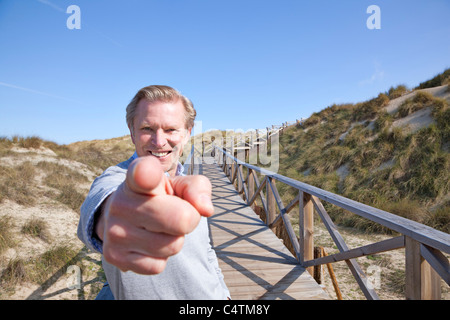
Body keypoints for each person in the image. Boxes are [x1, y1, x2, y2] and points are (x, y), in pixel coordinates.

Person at [77, 85, 230, 299]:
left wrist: (224, 293)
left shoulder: (190, 184)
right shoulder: (116, 178)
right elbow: (102, 203)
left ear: (187, 133)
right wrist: (112, 217)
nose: (159, 141)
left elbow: (205, 251)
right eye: (147, 129)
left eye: (170, 130)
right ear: (132, 132)